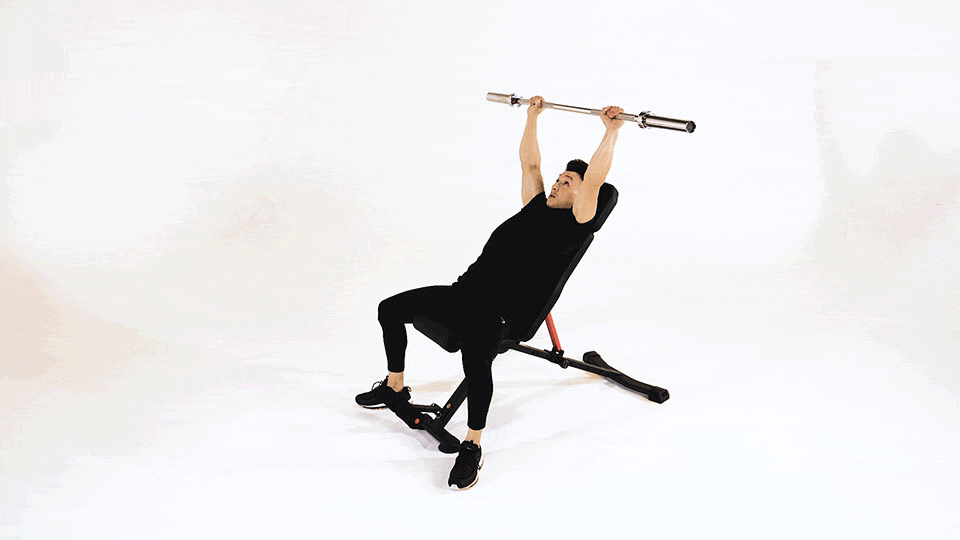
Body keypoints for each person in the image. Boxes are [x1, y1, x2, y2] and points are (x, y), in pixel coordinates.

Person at [356, 96, 625, 489]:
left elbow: (596, 180)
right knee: (389, 309)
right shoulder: (535, 205)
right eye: (558, 178)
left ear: (583, 196)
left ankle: (472, 445)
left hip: (500, 314)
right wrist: (532, 117)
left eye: (567, 182)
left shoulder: (576, 223)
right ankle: (395, 386)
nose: (556, 183)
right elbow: (530, 165)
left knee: (476, 358)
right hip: (463, 293)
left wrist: (611, 132)